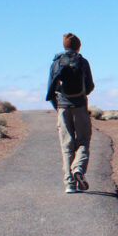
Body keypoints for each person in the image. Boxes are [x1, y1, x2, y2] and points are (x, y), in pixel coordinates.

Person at [45, 32, 95, 193]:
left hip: (63, 107)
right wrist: (81, 96)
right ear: (78, 46)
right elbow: (90, 86)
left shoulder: (56, 63)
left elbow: (50, 90)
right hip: (80, 106)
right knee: (83, 141)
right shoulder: (83, 62)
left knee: (66, 146)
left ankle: (70, 184)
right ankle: (78, 169)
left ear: (64, 46)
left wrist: (58, 106)